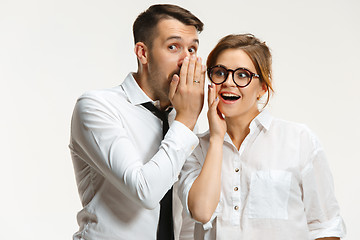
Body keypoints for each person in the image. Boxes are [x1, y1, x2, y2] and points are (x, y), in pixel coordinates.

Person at [178, 34, 346, 239]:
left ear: (262, 87)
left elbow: (326, 227)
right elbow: (201, 213)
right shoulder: (195, 147)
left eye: (242, 75)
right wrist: (215, 139)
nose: (229, 82)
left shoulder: (299, 140)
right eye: (220, 72)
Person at [69, 4, 205, 240]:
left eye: (192, 49)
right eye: (174, 47)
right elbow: (145, 192)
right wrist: (187, 120)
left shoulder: (181, 117)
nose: (187, 60)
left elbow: (187, 211)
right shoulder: (97, 106)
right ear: (143, 53)